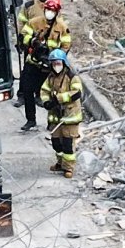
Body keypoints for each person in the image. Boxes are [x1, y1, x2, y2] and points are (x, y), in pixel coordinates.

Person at [18, 0, 72, 131]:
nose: (49, 13)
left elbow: (66, 45)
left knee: (51, 94)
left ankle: (51, 122)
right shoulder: (34, 22)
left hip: (50, 66)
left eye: (52, 11)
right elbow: (23, 35)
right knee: (27, 89)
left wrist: (56, 56)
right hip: (33, 62)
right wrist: (32, 42)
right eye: (48, 10)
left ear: (57, 12)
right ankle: (31, 120)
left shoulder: (62, 27)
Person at [42, 49, 85, 177]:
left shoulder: (72, 77)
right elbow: (44, 91)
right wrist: (46, 102)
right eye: (54, 63)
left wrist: (59, 98)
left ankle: (68, 168)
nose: (56, 66)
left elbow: (76, 92)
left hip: (70, 117)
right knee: (56, 143)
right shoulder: (50, 78)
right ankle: (60, 163)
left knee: (67, 144)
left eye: (58, 63)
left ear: (64, 63)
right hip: (56, 116)